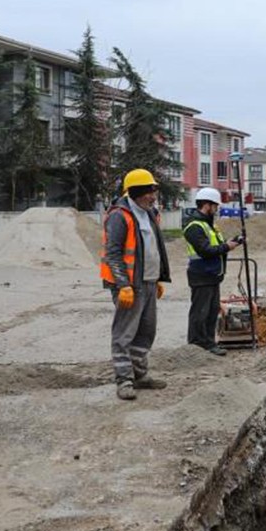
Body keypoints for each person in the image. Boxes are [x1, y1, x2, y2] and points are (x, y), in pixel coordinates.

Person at [101, 169, 172, 401]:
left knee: (146, 332)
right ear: (135, 192)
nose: (153, 196)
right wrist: (123, 285)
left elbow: (153, 248)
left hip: (148, 283)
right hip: (130, 285)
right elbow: (113, 254)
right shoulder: (119, 216)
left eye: (154, 191)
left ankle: (140, 375)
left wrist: (158, 278)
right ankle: (124, 380)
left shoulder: (149, 213)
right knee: (124, 333)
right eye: (149, 192)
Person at [183, 187, 242, 356]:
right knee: (200, 313)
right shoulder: (194, 227)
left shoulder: (209, 226)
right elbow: (205, 250)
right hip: (201, 275)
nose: (217, 209)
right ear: (207, 205)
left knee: (211, 312)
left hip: (212, 275)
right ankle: (196, 346)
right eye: (215, 206)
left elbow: (217, 246)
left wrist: (233, 242)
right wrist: (226, 246)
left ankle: (208, 343)